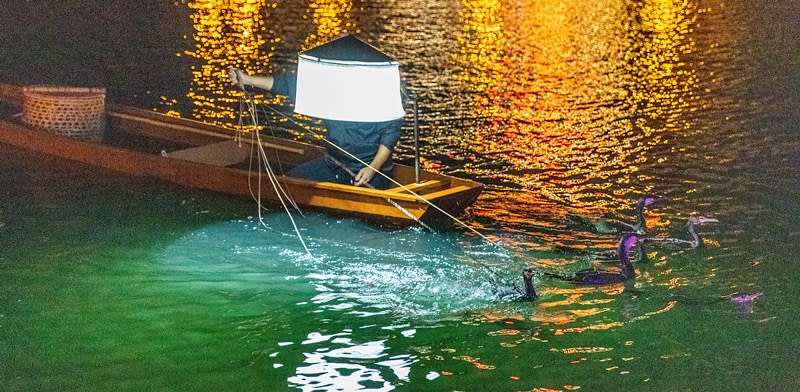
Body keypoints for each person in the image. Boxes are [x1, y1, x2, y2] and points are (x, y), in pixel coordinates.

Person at [228, 67, 403, 189]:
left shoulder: (377, 92)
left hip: (369, 168)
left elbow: (390, 132)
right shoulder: (328, 86)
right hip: (334, 163)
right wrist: (247, 79)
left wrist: (372, 168)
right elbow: (286, 85)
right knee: (289, 182)